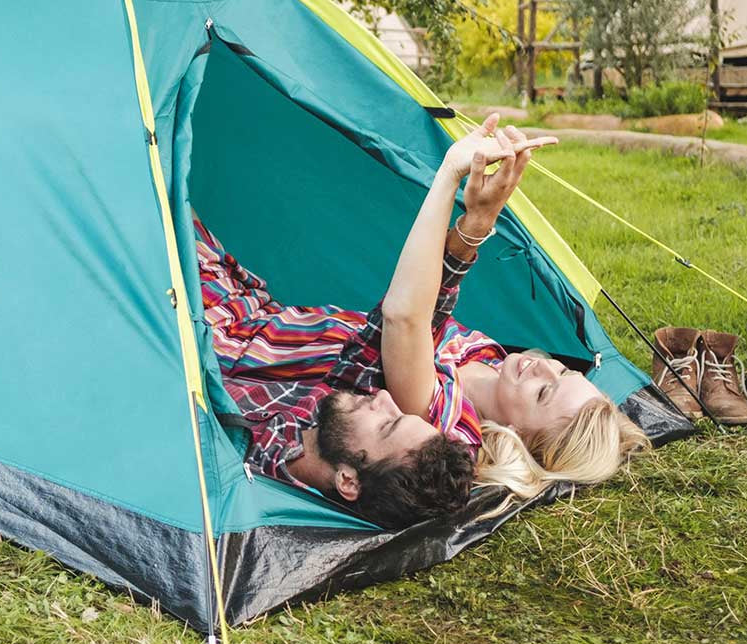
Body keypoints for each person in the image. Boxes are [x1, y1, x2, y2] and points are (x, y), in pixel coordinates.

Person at [197, 115, 648, 528]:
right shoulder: (489, 358)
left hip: (234, 340)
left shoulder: (439, 425)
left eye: (544, 391)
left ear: (521, 436)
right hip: (262, 313)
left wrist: (449, 177)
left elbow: (406, 318)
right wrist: (476, 219)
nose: (544, 367)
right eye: (564, 369)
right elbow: (435, 299)